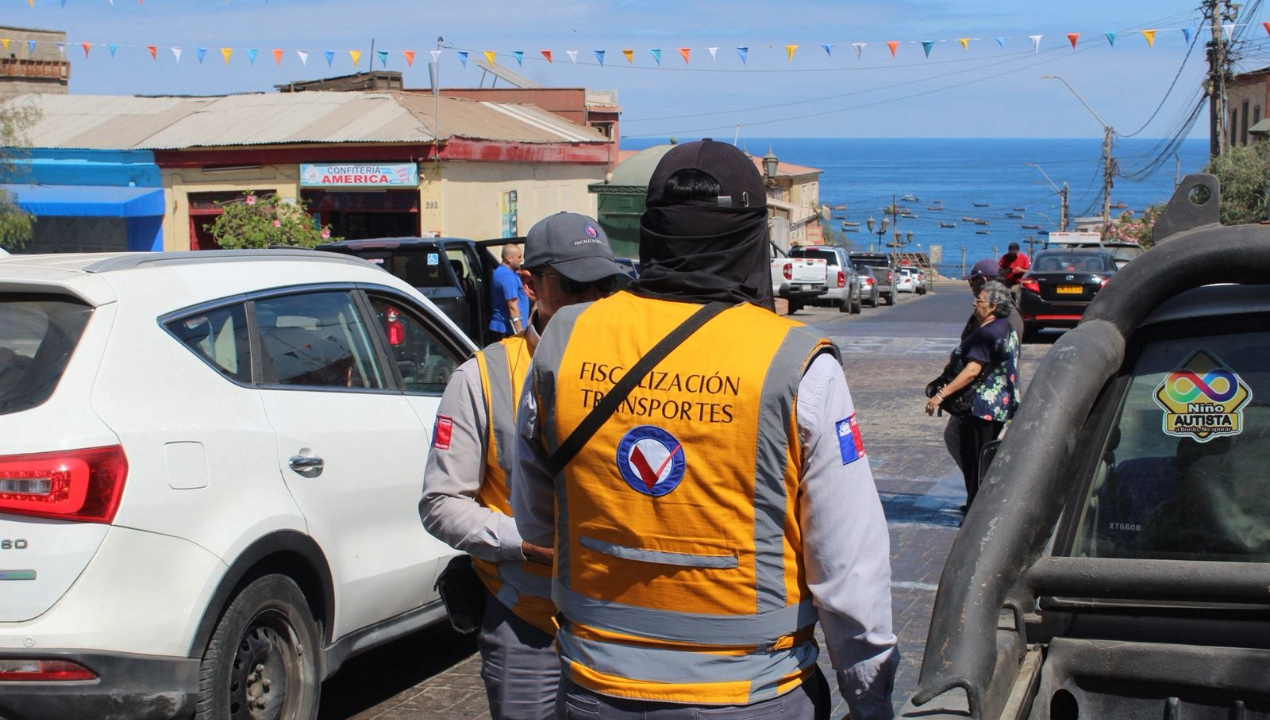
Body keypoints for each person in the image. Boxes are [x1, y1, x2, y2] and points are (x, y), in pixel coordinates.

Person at [512, 139, 898, 720]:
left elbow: (537, 520)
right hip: (752, 691)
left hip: (596, 685)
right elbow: (848, 563)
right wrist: (870, 697)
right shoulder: (796, 364)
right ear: (750, 238)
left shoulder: (563, 340)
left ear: (652, 231)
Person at [420, 212, 627, 720]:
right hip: (528, 622)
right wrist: (523, 543)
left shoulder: (644, 370)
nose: (594, 300)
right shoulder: (482, 377)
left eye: (605, 285)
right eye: (576, 286)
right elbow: (440, 503)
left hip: (624, 623)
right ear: (530, 285)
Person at [926, 280, 1019, 511]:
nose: (974, 304)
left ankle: (976, 510)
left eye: (979, 300)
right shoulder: (1006, 328)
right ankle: (978, 506)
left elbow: (972, 371)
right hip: (1000, 405)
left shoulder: (987, 333)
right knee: (984, 460)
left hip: (981, 408)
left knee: (976, 461)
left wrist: (940, 395)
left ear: (993, 306)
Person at [944, 259, 1024, 473]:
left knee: (968, 443)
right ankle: (977, 485)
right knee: (963, 441)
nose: (971, 288)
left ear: (984, 281)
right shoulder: (987, 313)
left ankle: (980, 487)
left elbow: (990, 361)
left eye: (973, 282)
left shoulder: (1004, 318)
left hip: (986, 397)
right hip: (981, 394)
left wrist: (942, 394)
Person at [489, 243, 530, 340]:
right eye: (519, 257)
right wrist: (520, 334)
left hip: (507, 329)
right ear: (509, 258)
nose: (521, 260)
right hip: (506, 330)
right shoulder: (507, 276)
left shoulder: (508, 273)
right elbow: (512, 306)